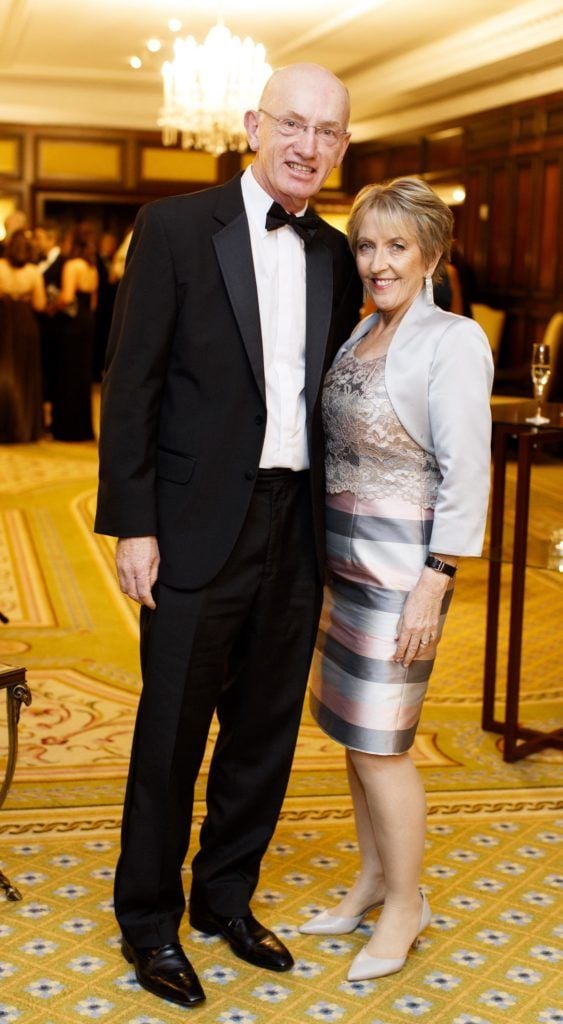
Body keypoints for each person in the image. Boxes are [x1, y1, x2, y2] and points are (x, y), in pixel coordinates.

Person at [94, 62, 362, 1009]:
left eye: (328, 133)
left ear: (341, 146)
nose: (307, 146)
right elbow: (132, 384)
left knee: (263, 731)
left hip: (295, 529)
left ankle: (225, 900)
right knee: (170, 732)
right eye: (292, 124)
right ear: (253, 124)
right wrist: (132, 523)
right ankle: (149, 922)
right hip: (194, 524)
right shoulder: (173, 229)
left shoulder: (333, 254)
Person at [299, 177, 493, 982]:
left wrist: (434, 579)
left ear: (431, 255)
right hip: (340, 567)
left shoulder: (452, 340)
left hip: (401, 571)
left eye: (396, 247)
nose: (378, 262)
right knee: (352, 737)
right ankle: (372, 879)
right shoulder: (356, 334)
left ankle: (407, 904)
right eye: (367, 246)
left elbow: (466, 470)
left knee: (384, 747)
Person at [51, 224, 98, 441]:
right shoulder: (92, 267)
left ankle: (66, 429)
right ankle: (82, 427)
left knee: (67, 373)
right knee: (82, 375)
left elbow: (68, 296)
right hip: (88, 322)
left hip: (72, 324)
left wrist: (53, 305)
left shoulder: (72, 265)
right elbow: (94, 302)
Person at [0, 229, 46, 442]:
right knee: (25, 375)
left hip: (3, 321)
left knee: (4, 371)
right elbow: (40, 304)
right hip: (26, 323)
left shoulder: (0, 266)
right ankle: (24, 428)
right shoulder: (34, 271)